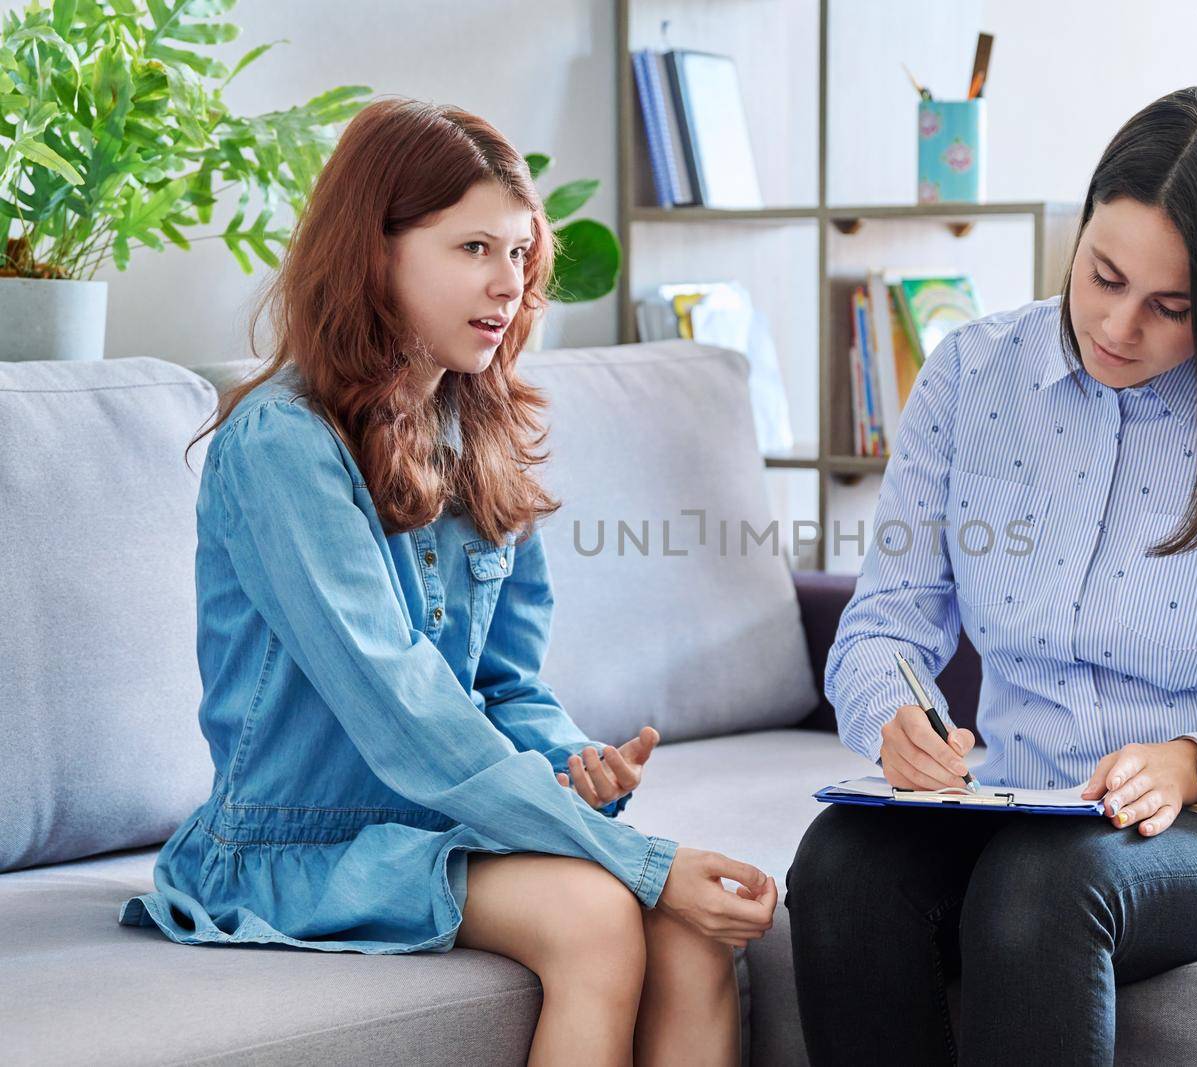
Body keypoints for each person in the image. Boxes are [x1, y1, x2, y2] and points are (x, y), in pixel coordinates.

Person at [117, 98, 776, 1067]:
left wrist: (568, 760)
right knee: (601, 909)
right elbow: (405, 709)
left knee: (691, 932)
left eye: (519, 254)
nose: (507, 284)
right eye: (473, 248)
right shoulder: (280, 447)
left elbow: (505, 685)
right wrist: (647, 860)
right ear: (372, 250)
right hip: (289, 849)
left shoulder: (479, 435)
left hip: (441, 822)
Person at [786, 86, 1197, 1065]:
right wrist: (893, 716)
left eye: (1171, 307)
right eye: (1101, 275)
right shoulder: (969, 375)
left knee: (1044, 885)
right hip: (1025, 803)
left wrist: (1194, 764)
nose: (1117, 324)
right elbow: (885, 623)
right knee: (841, 868)